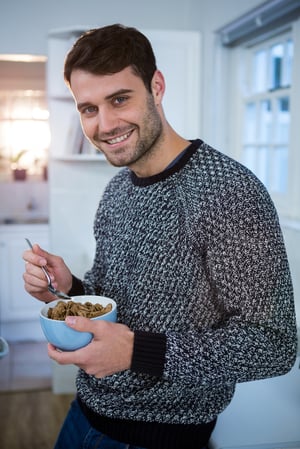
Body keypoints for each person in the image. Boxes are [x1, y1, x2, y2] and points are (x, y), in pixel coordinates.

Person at [23, 24, 297, 449]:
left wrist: (136, 353)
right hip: (84, 415)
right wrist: (70, 288)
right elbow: (115, 299)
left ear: (157, 86)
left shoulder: (228, 192)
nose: (105, 124)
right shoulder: (117, 188)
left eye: (119, 99)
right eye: (89, 108)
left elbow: (274, 345)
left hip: (160, 437)